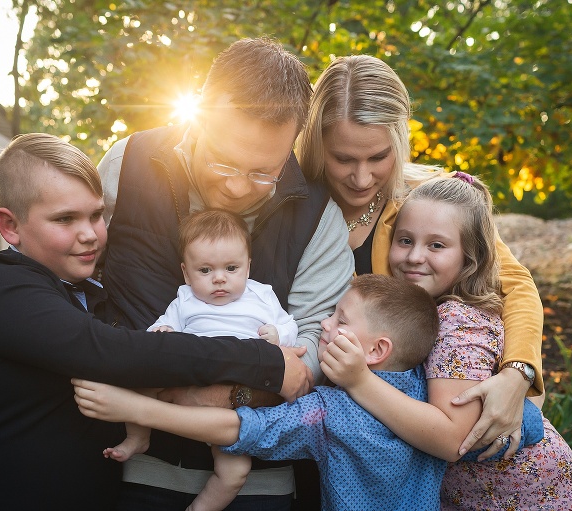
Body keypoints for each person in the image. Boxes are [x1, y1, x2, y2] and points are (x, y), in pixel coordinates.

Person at [0, 133, 312, 511]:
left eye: (97, 215)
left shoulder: (95, 292)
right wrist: (264, 361)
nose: (90, 234)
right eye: (65, 219)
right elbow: (106, 353)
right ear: (10, 226)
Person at [97, 37, 354, 509]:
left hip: (258, 476)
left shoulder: (319, 218)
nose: (237, 187)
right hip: (125, 464)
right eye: (223, 160)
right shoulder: (126, 163)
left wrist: (231, 395)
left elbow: (318, 341)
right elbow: (79, 280)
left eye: (263, 172)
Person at [296, 54, 545, 457]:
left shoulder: (430, 199)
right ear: (315, 142)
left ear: (398, 139)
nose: (361, 178)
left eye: (378, 157)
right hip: (314, 422)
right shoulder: (292, 202)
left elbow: (514, 285)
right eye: (343, 158)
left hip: (407, 434)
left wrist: (517, 375)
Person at [321, 175, 572, 510]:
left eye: (436, 245)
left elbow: (454, 438)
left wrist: (360, 381)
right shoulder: (434, 312)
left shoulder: (457, 322)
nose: (414, 257)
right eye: (405, 240)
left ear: (469, 258)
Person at [74, 274, 451, 511]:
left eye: (340, 319)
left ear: (376, 351)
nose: (324, 322)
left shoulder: (328, 413)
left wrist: (137, 408)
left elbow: (237, 429)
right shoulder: (428, 387)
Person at [106, 209, 299, 511]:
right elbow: (154, 334)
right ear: (186, 273)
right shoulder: (185, 300)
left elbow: (291, 326)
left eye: (231, 268)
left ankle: (202, 507)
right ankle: (138, 436)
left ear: (248, 266)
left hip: (233, 404)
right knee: (142, 382)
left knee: (235, 471)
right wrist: (163, 330)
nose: (219, 279)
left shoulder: (261, 295)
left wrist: (278, 334)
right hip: (189, 377)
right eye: (205, 271)